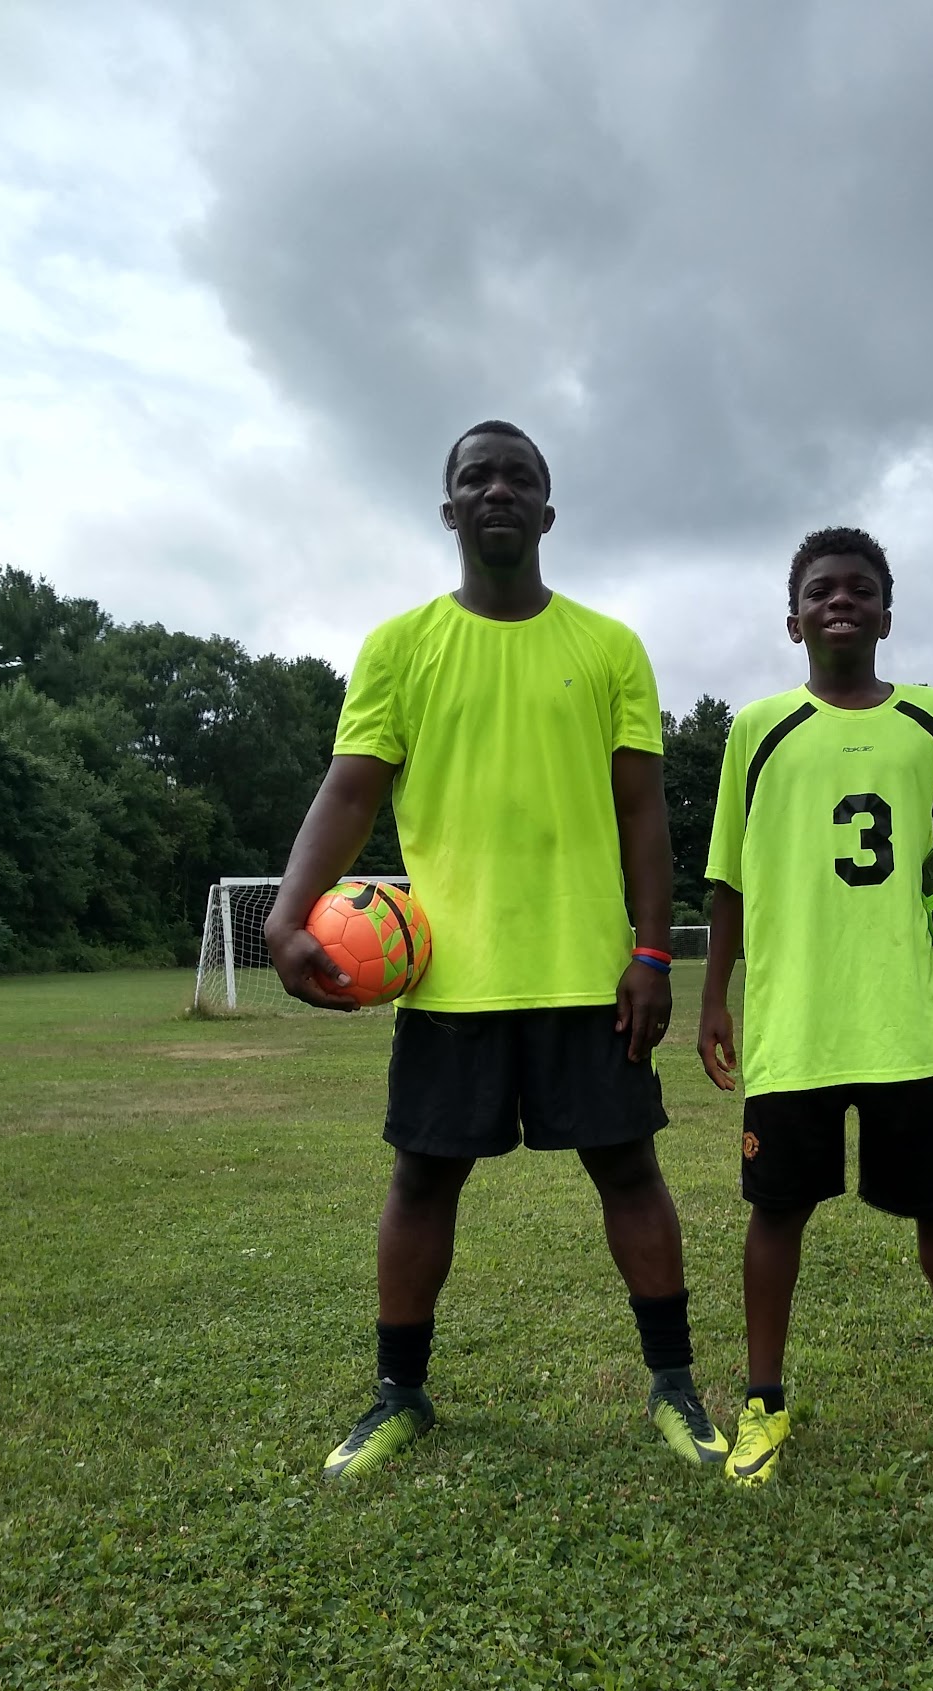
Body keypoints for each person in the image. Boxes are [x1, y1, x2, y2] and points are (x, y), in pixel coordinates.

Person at [265, 420, 727, 1479]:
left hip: (586, 972)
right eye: (477, 476)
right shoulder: (400, 646)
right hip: (447, 979)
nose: (498, 489)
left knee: (630, 1171)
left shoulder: (609, 646)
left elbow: (644, 814)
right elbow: (350, 791)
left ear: (548, 511)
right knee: (422, 1182)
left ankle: (674, 1386)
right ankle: (399, 1394)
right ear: (450, 509)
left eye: (520, 476)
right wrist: (285, 918)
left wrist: (652, 955)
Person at [697, 526, 933, 1485]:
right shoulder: (757, 729)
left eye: (860, 589)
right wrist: (714, 999)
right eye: (821, 591)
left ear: (886, 613)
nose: (841, 600)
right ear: (793, 622)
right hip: (795, 1021)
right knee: (776, 1215)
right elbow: (727, 879)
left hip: (910, 1021)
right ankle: (763, 1405)